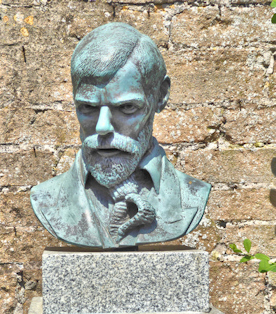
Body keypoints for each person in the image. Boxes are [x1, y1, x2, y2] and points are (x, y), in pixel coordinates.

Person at [30, 22, 211, 248]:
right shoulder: (46, 199)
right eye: (88, 108)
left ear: (160, 96)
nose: (102, 127)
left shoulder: (192, 196)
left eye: (126, 108)